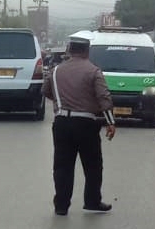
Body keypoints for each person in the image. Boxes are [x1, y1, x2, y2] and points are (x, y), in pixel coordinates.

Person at [42, 34, 116, 215]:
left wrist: (62, 103)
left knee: (62, 166)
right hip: (85, 123)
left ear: (69, 50)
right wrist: (110, 122)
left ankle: (61, 206)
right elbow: (103, 97)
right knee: (92, 165)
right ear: (86, 51)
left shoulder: (56, 70)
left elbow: (46, 91)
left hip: (61, 122)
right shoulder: (94, 71)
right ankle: (92, 201)